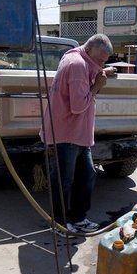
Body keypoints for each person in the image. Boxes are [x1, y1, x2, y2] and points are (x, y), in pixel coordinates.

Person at [40, 34, 117, 234]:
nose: (101, 64)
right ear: (89, 50)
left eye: (104, 61)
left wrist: (103, 71)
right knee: (63, 180)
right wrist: (97, 87)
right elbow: (78, 105)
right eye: (100, 59)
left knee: (87, 175)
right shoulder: (77, 66)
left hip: (77, 134)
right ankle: (59, 223)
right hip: (66, 133)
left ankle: (79, 218)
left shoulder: (77, 57)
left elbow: (90, 70)